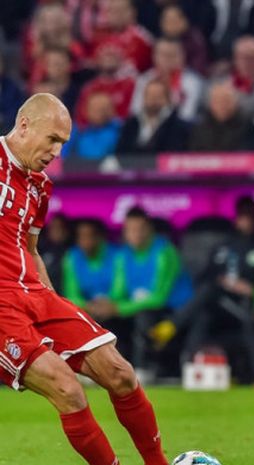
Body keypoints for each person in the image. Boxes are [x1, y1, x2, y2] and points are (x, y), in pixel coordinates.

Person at [0, 93, 170, 465]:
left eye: (63, 143)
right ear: (25, 125)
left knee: (120, 373)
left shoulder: (40, 185)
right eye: (53, 139)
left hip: (33, 292)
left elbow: (30, 249)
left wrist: (48, 298)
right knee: (67, 388)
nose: (57, 152)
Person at [150, 196, 254, 385]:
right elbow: (204, 276)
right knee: (204, 307)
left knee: (211, 300)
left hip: (244, 305)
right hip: (217, 302)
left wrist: (249, 289)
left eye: (250, 216)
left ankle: (172, 325)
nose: (246, 221)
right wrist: (222, 282)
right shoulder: (223, 247)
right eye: (242, 216)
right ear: (236, 218)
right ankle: (189, 371)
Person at [87, 207, 193, 377]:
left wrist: (119, 308)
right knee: (102, 317)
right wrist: (106, 305)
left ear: (149, 229)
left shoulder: (164, 252)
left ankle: (144, 369)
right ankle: (103, 369)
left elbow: (159, 298)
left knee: (143, 316)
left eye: (140, 229)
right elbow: (118, 292)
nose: (135, 234)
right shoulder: (123, 256)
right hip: (138, 307)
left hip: (173, 312)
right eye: (130, 230)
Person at [129, 38, 205, 123]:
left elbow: (187, 114)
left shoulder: (192, 82)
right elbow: (135, 111)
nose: (168, 59)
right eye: (163, 54)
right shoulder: (144, 79)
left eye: (172, 54)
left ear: (183, 56)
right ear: (154, 56)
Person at [116, 78, 190, 154]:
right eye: (150, 95)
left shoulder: (178, 127)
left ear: (167, 99)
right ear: (144, 98)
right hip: (131, 164)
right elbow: (121, 152)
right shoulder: (131, 124)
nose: (153, 100)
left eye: (158, 96)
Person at [62, 219, 120, 310]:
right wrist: (87, 306)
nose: (85, 241)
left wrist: (108, 304)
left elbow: (120, 289)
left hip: (112, 308)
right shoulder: (72, 257)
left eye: (89, 236)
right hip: (86, 309)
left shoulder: (116, 254)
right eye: (81, 237)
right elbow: (71, 294)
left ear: (99, 237)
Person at [74, 40, 136, 125]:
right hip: (91, 132)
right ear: (98, 60)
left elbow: (132, 114)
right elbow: (81, 118)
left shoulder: (129, 85)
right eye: (106, 56)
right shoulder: (90, 87)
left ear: (121, 60)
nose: (109, 60)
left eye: (113, 56)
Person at [189, 81, 249, 151]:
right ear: (210, 104)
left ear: (235, 103)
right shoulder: (199, 129)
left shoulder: (246, 128)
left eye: (226, 101)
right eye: (217, 101)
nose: (221, 106)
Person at [64, 92, 122, 161]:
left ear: (111, 110)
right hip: (80, 169)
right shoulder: (79, 133)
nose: (97, 112)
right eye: (93, 108)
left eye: (102, 109)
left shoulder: (120, 131)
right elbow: (64, 157)